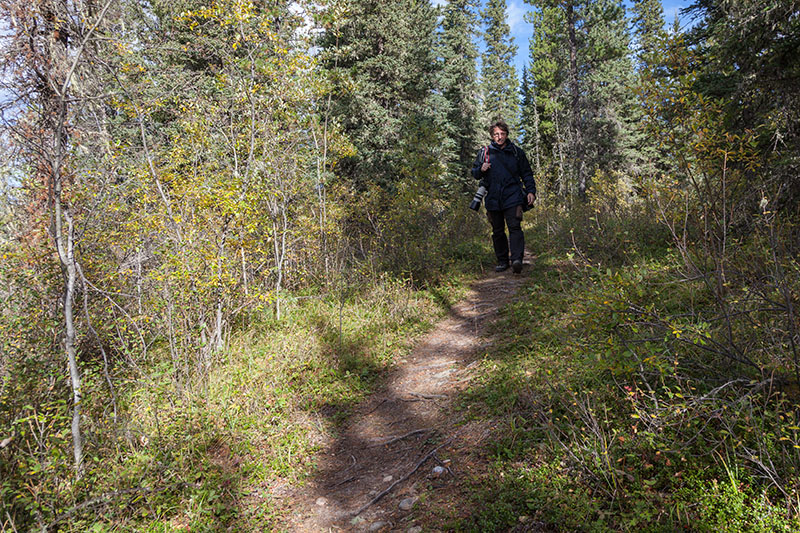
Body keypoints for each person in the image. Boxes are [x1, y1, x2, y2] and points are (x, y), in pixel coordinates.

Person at [471, 120, 536, 273]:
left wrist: (531, 191)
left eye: (502, 134)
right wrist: (481, 168)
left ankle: (517, 260)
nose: (499, 137)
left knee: (514, 227)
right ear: (492, 136)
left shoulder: (516, 152)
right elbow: (474, 173)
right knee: (497, 230)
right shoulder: (484, 153)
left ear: (507, 134)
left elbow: (527, 173)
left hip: (513, 195)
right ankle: (502, 261)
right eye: (496, 134)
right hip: (493, 197)